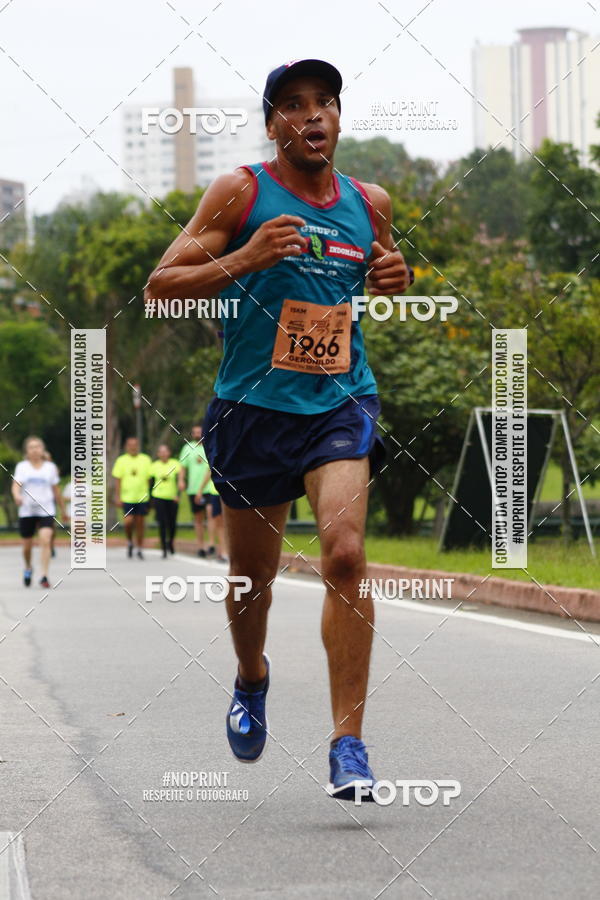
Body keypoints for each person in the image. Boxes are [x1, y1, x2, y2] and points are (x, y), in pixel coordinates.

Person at [146, 59, 411, 800]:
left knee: (347, 555)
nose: (313, 115)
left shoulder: (370, 201)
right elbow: (160, 284)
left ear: (337, 117)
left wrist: (400, 279)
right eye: (293, 105)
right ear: (272, 124)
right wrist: (245, 257)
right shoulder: (241, 190)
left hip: (339, 403)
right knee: (251, 579)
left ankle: (348, 743)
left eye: (324, 102)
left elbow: (382, 271)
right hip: (250, 411)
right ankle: (251, 676)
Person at [12, 436, 65, 588]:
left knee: (46, 539)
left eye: (38, 447)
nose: (35, 450)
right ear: (27, 451)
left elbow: (56, 490)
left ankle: (44, 575)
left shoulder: (50, 468)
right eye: (31, 447)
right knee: (27, 546)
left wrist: (62, 509)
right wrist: (17, 496)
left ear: (43, 450)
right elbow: (16, 485)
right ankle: (28, 567)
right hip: (27, 510)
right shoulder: (22, 467)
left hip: (46, 509)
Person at [112, 437, 152, 559]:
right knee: (128, 522)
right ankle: (130, 541)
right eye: (130, 445)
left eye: (135, 445)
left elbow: (150, 479)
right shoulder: (121, 460)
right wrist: (117, 496)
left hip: (142, 497)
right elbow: (118, 480)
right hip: (127, 497)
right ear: (126, 447)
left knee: (140, 523)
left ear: (138, 446)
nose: (133, 447)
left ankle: (139, 547)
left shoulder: (145, 459)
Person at [178, 425, 210, 557]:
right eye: (195, 432)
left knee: (211, 513)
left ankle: (212, 544)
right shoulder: (187, 448)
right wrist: (181, 480)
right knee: (198, 519)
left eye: (200, 432)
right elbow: (182, 466)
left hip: (209, 489)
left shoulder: (209, 447)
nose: (198, 434)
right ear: (192, 434)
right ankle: (201, 546)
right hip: (193, 489)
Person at [149, 443, 181, 557]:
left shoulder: (175, 464)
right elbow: (150, 482)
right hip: (159, 497)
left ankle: (170, 542)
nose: (163, 454)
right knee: (162, 523)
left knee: (172, 523)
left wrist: (178, 494)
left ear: (169, 453)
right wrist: (150, 500)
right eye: (160, 452)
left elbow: (179, 481)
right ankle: (163, 548)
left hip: (172, 497)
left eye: (165, 451)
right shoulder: (154, 466)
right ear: (158, 454)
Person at [195, 463, 227, 562]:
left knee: (229, 523)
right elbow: (209, 472)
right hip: (215, 492)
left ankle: (229, 551)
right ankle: (223, 552)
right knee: (219, 523)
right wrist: (200, 490)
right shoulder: (213, 453)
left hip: (228, 492)